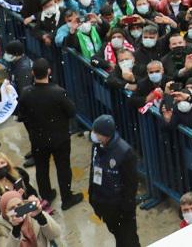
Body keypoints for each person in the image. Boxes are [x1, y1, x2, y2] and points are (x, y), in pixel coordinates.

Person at [14, 58, 82, 210]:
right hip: (60, 138)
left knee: (41, 168)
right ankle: (67, 197)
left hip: (38, 139)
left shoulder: (26, 93)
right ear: (49, 72)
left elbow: (21, 115)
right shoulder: (58, 92)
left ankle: (46, 195)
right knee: (63, 167)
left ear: (33, 73)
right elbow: (71, 111)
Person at [88, 114, 139, 246]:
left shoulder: (125, 152)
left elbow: (131, 184)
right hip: (103, 203)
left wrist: (125, 209)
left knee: (128, 240)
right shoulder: (97, 146)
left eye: (96, 132)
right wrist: (92, 196)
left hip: (119, 207)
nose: (93, 134)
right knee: (117, 234)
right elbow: (93, 170)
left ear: (106, 134)